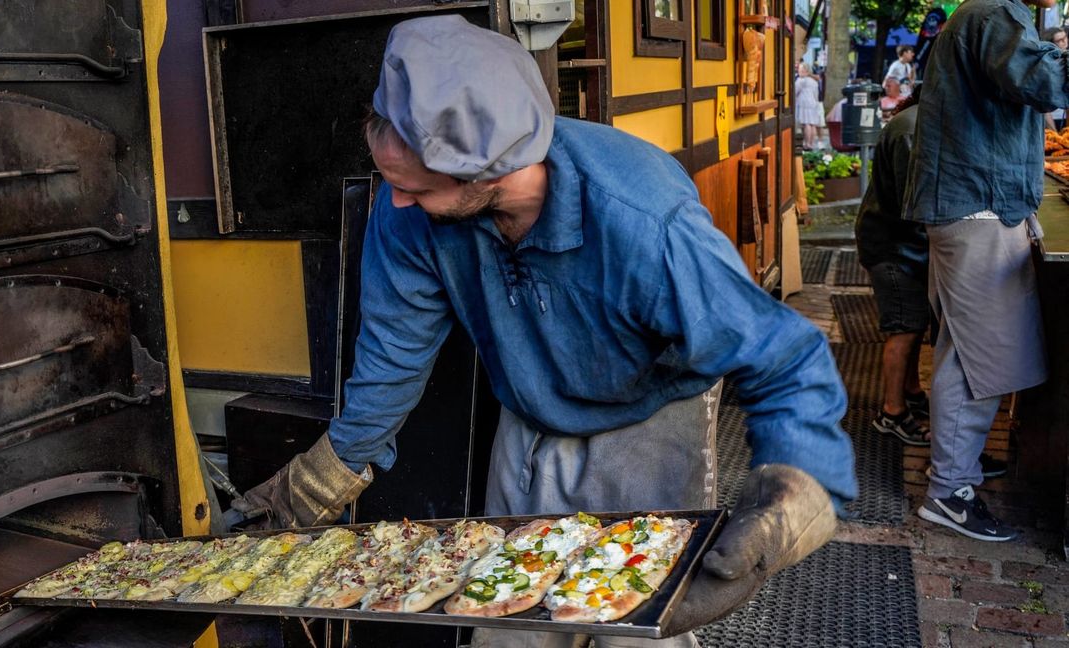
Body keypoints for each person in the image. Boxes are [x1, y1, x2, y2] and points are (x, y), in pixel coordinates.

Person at [229, 16, 857, 645]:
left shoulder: (645, 221)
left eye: (414, 188)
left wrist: (795, 497)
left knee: (630, 622)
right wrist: (322, 479)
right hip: (528, 416)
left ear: (484, 173)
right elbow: (391, 357)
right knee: (504, 614)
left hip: (648, 416)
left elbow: (784, 356)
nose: (396, 202)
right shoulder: (409, 214)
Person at [905, 0, 1061, 542]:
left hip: (968, 204)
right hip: (978, 205)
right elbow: (1043, 81)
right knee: (980, 356)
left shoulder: (983, 11)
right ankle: (949, 491)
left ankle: (956, 468)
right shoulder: (996, 13)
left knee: (965, 347)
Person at [857, 93, 930, 448]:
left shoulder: (918, 120)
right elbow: (910, 200)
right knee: (903, 326)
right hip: (893, 245)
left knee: (914, 324)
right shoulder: (912, 128)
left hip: (903, 243)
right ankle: (892, 412)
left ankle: (912, 390)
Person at [1042, 28, 1067, 131]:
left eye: (1065, 38)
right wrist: (1054, 133)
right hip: (1050, 116)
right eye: (1059, 40)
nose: (1064, 42)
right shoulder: (1045, 63)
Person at [796, 63, 825, 149]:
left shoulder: (801, 80)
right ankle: (811, 143)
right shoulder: (814, 81)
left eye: (801, 70)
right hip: (813, 103)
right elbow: (816, 94)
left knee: (806, 124)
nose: (799, 72)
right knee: (812, 124)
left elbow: (795, 91)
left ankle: (807, 143)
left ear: (806, 71)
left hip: (804, 103)